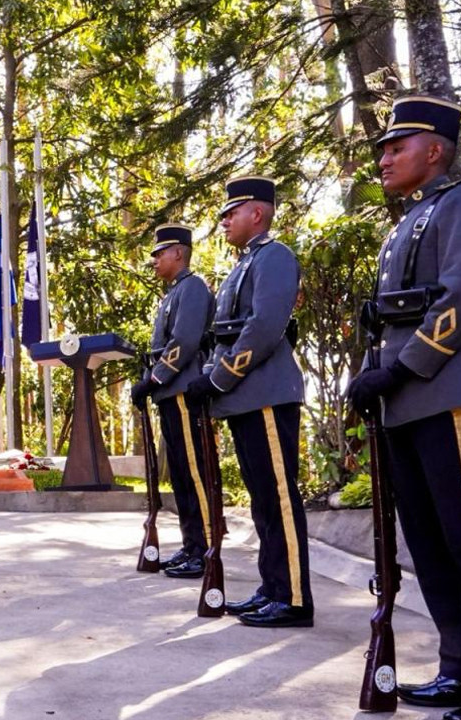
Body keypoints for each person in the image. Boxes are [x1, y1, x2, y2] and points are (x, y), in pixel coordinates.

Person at [346, 95, 461, 720]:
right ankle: (458, 667)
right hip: (403, 406)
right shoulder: (408, 221)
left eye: (397, 147)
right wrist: (372, 376)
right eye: (382, 149)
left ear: (436, 150)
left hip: (449, 395)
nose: (384, 157)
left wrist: (403, 368)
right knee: (426, 545)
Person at [186, 175, 312, 628]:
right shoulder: (243, 265)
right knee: (262, 502)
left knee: (279, 498)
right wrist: (210, 378)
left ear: (257, 213)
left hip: (266, 395)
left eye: (231, 212)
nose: (224, 220)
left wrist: (218, 379)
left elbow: (263, 326)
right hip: (244, 398)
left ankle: (295, 597)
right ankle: (273, 586)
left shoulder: (274, 257)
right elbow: (225, 333)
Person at [130, 224, 216, 580]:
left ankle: (209, 548)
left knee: (195, 473)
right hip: (171, 392)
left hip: (183, 390)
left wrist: (154, 379)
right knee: (180, 473)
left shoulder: (192, 288)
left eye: (159, 253)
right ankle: (192, 544)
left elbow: (184, 341)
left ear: (178, 253)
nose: (154, 261)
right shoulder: (174, 293)